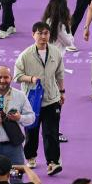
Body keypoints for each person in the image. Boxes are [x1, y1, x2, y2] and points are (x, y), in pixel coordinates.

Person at [15, 22, 66, 175]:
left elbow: (60, 74)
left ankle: (53, 162)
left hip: (52, 99)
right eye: (39, 33)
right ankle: (30, 156)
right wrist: (30, 79)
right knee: (31, 131)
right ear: (33, 35)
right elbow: (17, 76)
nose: (43, 36)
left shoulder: (55, 52)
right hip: (32, 101)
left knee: (51, 132)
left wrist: (62, 92)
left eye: (46, 33)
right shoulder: (25, 55)